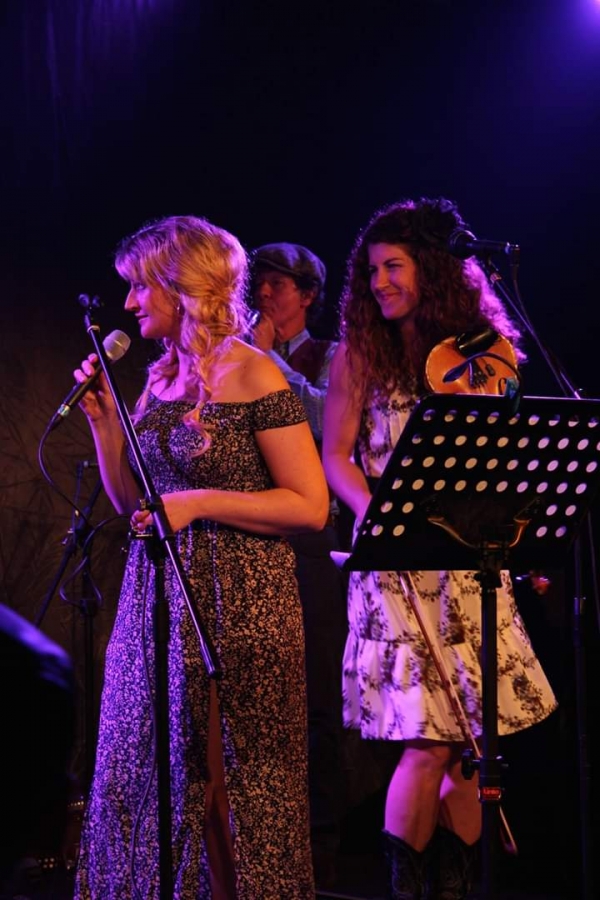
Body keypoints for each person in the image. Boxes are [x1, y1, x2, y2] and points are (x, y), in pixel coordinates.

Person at [72, 215, 329, 900]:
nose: (129, 302)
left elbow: (310, 505)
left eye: (139, 286)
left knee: (230, 784)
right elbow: (135, 502)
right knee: (151, 771)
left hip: (238, 598)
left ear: (182, 285)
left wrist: (200, 502)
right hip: (156, 599)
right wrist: (105, 424)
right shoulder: (160, 378)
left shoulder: (255, 372)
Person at [321, 197, 558, 900]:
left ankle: (453, 888)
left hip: (466, 560)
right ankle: (408, 889)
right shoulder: (358, 353)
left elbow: (500, 455)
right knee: (428, 739)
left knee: (466, 745)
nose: (379, 283)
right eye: (371, 270)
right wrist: (378, 514)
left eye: (393, 266)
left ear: (432, 268)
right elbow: (336, 456)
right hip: (397, 563)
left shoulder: (478, 350)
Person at [250, 243, 348, 889]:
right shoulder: (237, 355)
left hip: (311, 537)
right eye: (258, 283)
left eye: (278, 285)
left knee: (314, 698)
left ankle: (322, 846)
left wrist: (264, 363)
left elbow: (322, 417)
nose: (264, 294)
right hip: (250, 536)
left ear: (308, 294)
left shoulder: (332, 355)